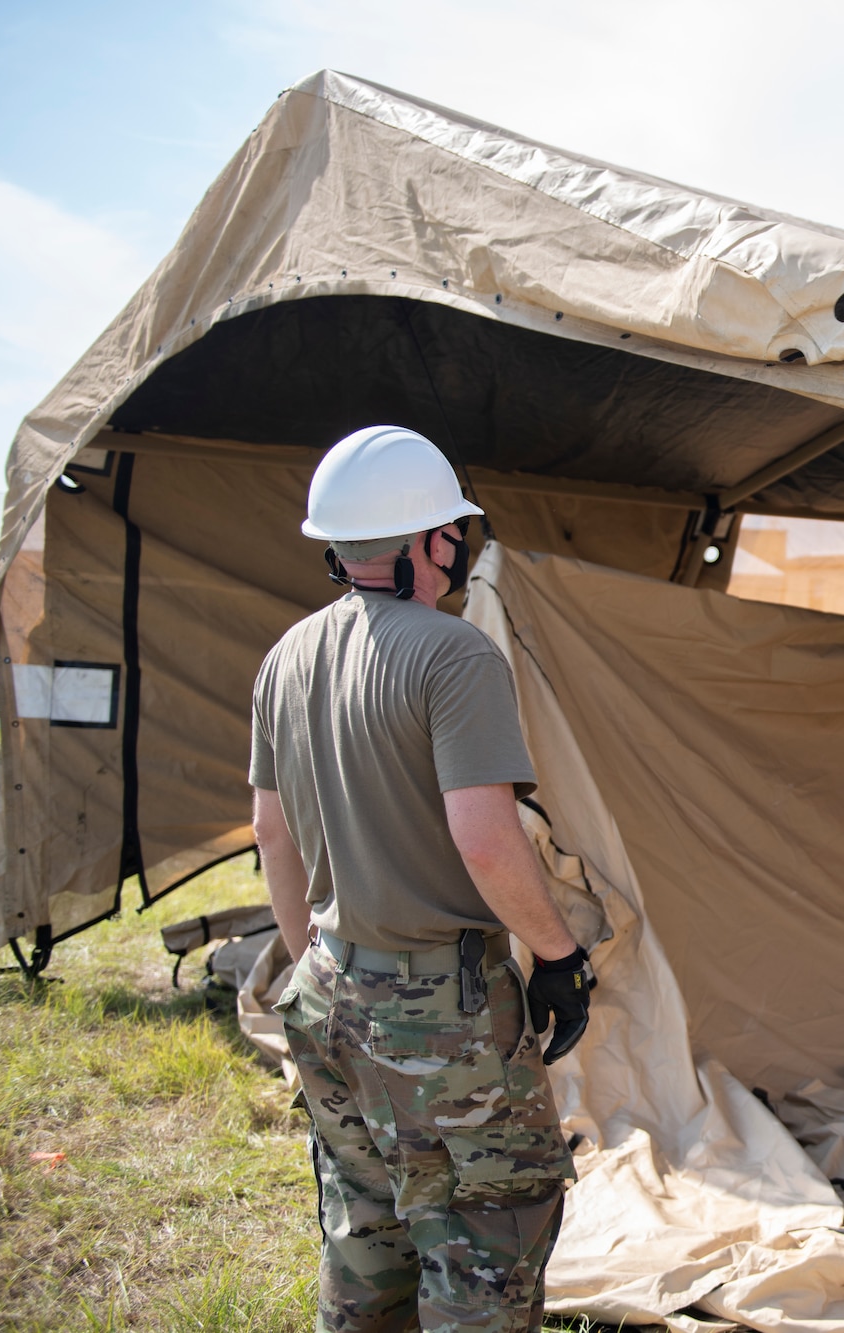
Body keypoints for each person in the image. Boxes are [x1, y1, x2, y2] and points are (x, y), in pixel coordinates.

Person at [253, 424, 597, 1332]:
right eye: (452, 529)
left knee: (367, 1228)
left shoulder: (285, 658)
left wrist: (316, 962)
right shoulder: (453, 654)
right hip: (442, 1007)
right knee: (487, 1236)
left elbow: (270, 833)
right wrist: (558, 955)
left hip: (327, 986)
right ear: (426, 542)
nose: (459, 546)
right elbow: (484, 839)